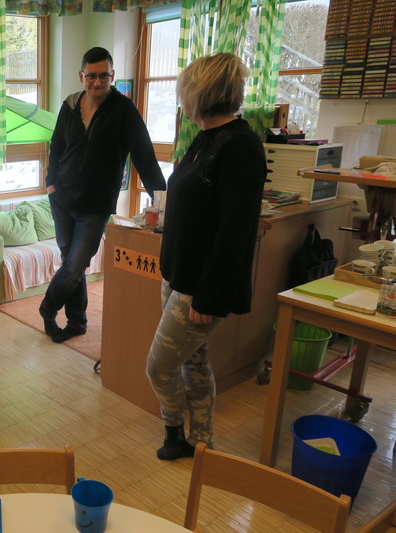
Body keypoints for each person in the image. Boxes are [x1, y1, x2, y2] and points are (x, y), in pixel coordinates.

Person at [146, 53, 266, 460]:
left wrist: (208, 297)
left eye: (185, 91)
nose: (181, 99)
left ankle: (174, 431)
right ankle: (201, 444)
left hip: (199, 287)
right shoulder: (205, 137)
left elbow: (235, 232)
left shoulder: (240, 146)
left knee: (158, 367)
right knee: (193, 364)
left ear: (201, 93)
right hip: (178, 274)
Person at [40, 47, 166, 343]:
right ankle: (77, 321)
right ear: (81, 76)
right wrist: (50, 183)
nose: (97, 82)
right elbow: (56, 147)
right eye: (91, 76)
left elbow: (144, 156)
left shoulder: (123, 110)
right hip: (62, 200)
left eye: (104, 76)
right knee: (71, 263)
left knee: (74, 267)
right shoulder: (70, 105)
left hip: (95, 207)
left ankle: (47, 309)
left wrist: (163, 200)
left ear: (112, 76)